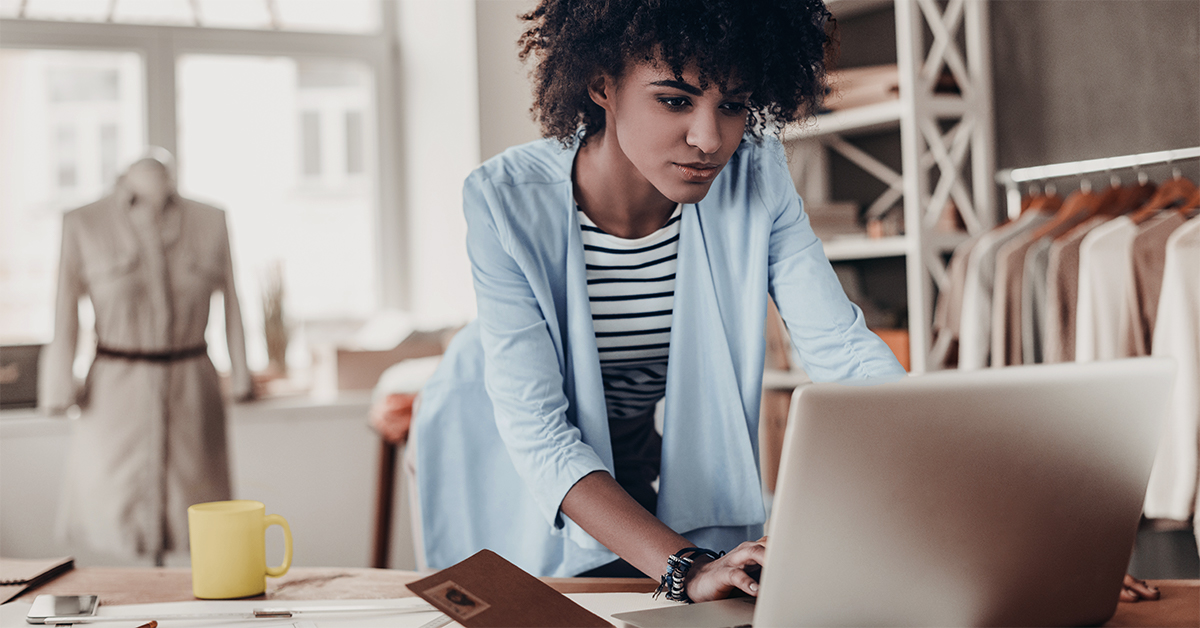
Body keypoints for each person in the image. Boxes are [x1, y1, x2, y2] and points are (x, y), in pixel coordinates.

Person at [401, 0, 1160, 606]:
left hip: (647, 441)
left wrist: (1008, 537)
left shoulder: (755, 172)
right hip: (510, 448)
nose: (709, 138)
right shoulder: (502, 201)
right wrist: (682, 565)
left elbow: (846, 355)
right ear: (601, 83)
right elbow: (538, 430)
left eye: (733, 105)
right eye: (674, 99)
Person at [41, 152, 253, 565]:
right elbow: (63, 313)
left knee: (196, 516)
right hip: (116, 395)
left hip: (192, 389)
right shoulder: (83, 222)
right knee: (120, 512)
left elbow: (233, 303)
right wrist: (58, 388)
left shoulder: (211, 219)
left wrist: (241, 377)